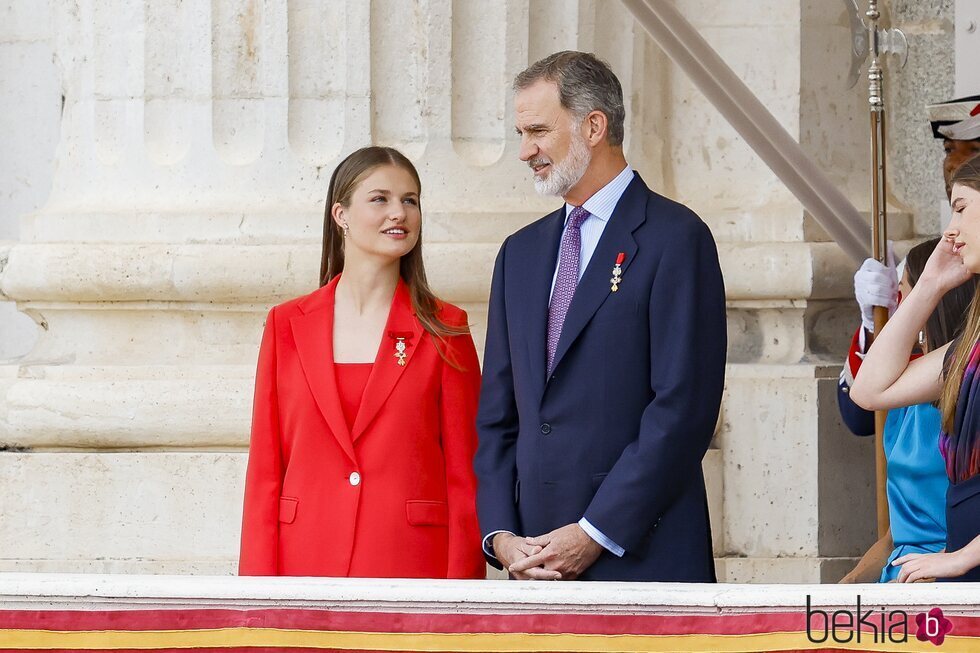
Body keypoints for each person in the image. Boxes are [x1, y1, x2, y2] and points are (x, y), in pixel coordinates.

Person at [474, 51, 727, 582]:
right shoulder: (517, 254)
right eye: (521, 133)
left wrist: (595, 531)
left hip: (643, 557)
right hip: (535, 565)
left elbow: (682, 408)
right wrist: (500, 535)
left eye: (538, 131)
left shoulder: (675, 238)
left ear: (594, 126)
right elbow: (498, 416)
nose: (525, 152)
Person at [239, 146, 485, 578]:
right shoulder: (285, 325)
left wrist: (463, 601)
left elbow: (466, 478)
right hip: (303, 567)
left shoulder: (446, 327)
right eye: (380, 199)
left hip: (411, 570)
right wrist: (257, 600)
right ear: (341, 215)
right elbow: (264, 472)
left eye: (410, 200)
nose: (399, 213)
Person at [851, 154, 980, 582]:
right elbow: (869, 393)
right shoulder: (968, 349)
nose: (951, 230)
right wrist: (929, 284)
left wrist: (964, 556)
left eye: (960, 208)